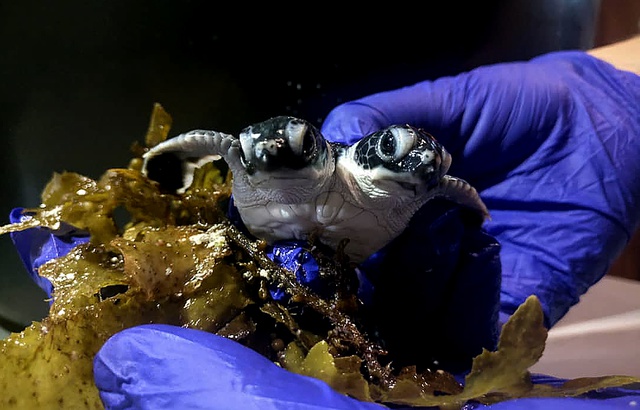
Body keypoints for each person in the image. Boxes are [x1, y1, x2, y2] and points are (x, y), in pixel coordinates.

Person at [15, 36, 640, 409]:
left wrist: (611, 113)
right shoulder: (257, 152)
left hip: (369, 265)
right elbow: (217, 147)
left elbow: (452, 190)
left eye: (425, 166)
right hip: (260, 241)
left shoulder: (403, 173)